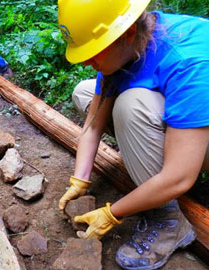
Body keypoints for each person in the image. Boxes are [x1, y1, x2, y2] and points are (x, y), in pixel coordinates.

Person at [57, 0, 209, 269]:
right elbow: (93, 125)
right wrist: (79, 179)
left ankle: (167, 222)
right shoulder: (126, 48)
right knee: (84, 91)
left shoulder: (189, 61)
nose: (88, 62)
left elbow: (180, 178)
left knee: (131, 104)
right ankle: (153, 177)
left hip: (199, 138)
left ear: (126, 33)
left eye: (93, 53)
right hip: (184, 127)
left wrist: (111, 213)